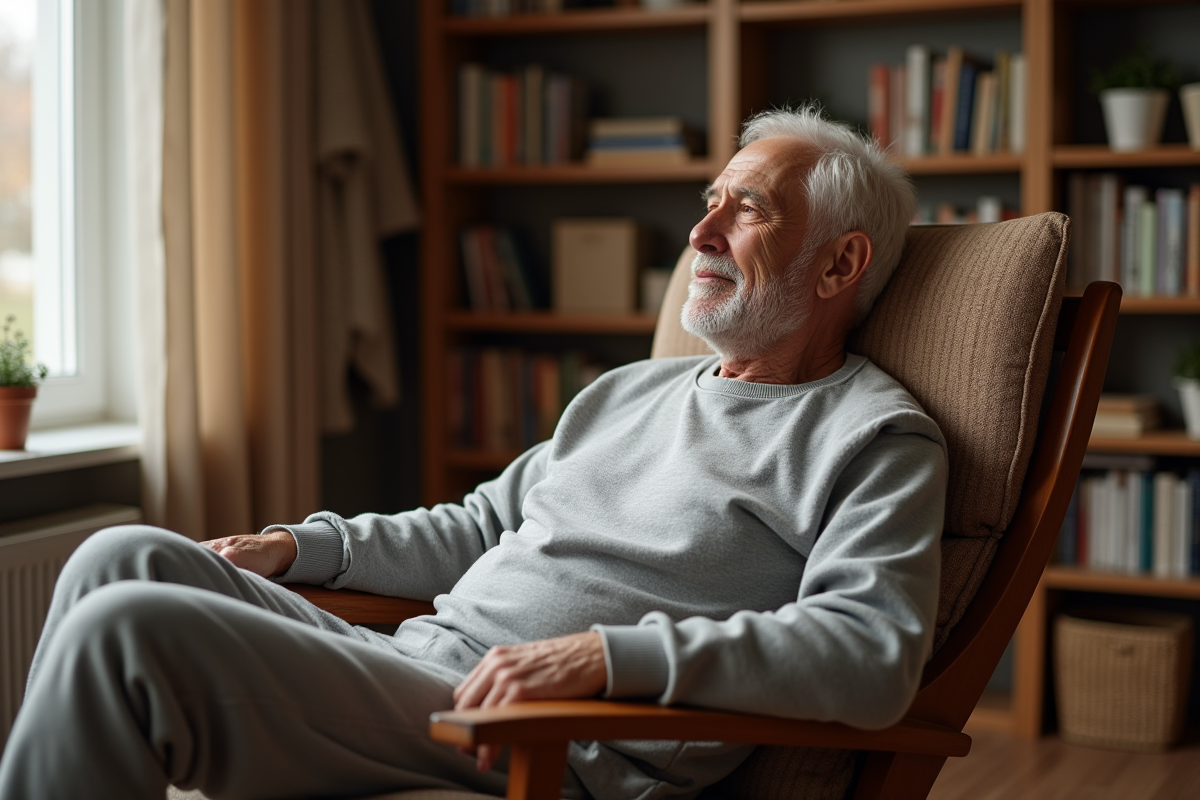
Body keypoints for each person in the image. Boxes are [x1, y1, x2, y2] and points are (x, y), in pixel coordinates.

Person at [0, 105, 944, 800]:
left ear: (838, 265)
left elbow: (870, 652)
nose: (700, 232)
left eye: (749, 210)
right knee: (119, 556)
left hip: (545, 739)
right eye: (710, 202)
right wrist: (300, 547)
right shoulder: (635, 391)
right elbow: (485, 524)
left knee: (123, 631)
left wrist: (603, 659)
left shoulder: (871, 436)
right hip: (421, 659)